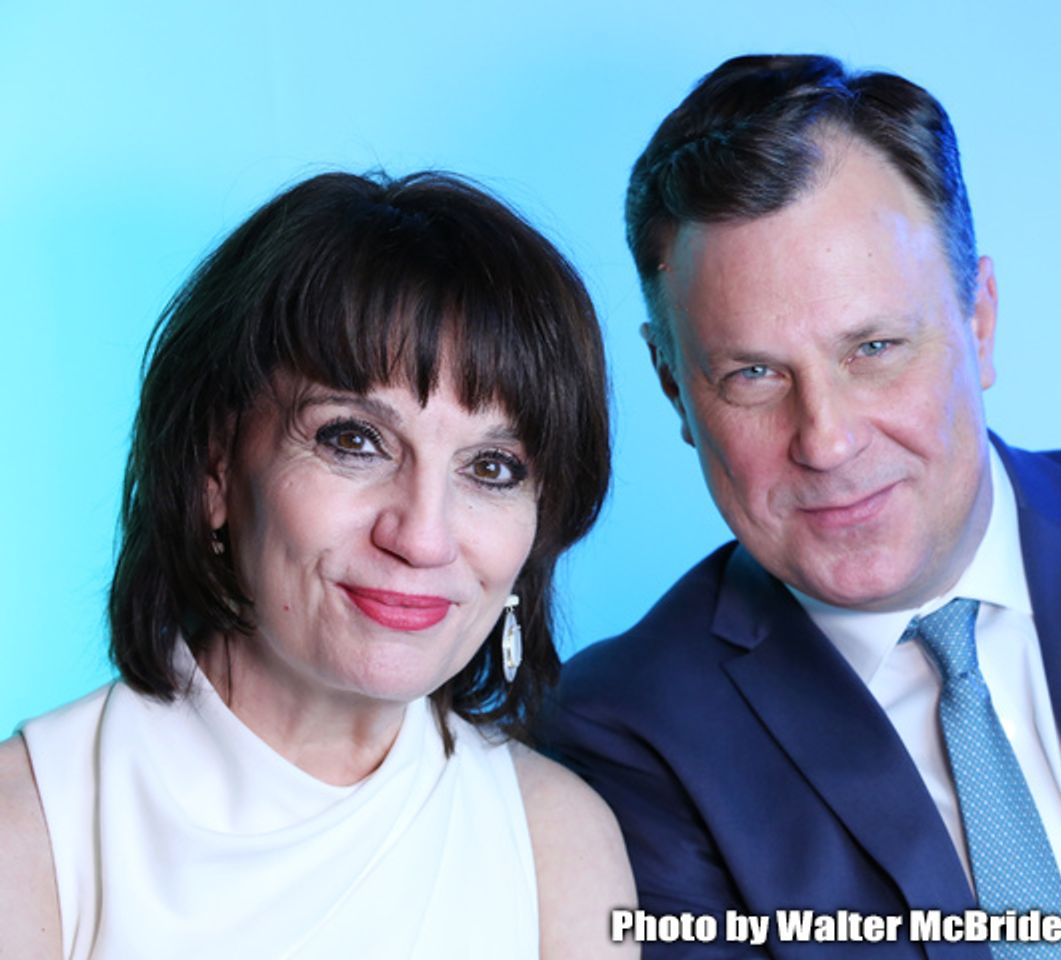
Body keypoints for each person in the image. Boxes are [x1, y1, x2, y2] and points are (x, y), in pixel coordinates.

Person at [537, 54, 1061, 958]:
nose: (827, 439)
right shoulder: (628, 737)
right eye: (754, 375)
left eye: (875, 347)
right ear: (672, 388)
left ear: (981, 321)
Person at [0, 171, 636, 959]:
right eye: (353, 439)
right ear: (215, 471)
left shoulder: (561, 844)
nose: (424, 537)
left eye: (493, 468)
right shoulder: (27, 828)